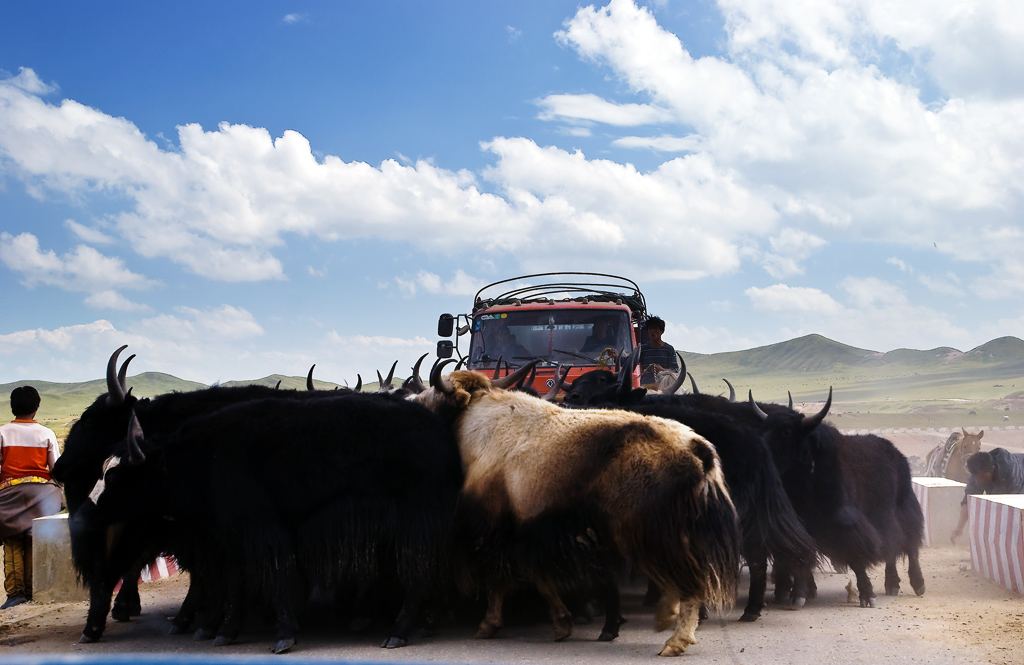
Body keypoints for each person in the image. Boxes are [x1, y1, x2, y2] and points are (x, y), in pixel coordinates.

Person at [0, 386, 63, 609]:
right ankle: (33, 591)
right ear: (36, 409)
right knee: (34, 540)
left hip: (9, 494)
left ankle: (15, 594)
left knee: (12, 541)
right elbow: (57, 470)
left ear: (12, 407)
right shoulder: (47, 433)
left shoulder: (2, 432)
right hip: (41, 496)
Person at [950, 448, 1024, 544]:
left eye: (983, 476)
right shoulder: (977, 475)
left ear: (992, 468)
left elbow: (1004, 510)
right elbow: (968, 502)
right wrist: (959, 527)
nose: (980, 480)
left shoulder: (1009, 474)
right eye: (977, 477)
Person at [639, 316, 679, 384]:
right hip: (646, 386)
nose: (652, 331)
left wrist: (662, 371)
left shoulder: (669, 349)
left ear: (662, 331)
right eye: (650, 328)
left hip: (664, 385)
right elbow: (628, 361)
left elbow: (675, 370)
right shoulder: (642, 349)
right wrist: (616, 356)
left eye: (655, 328)